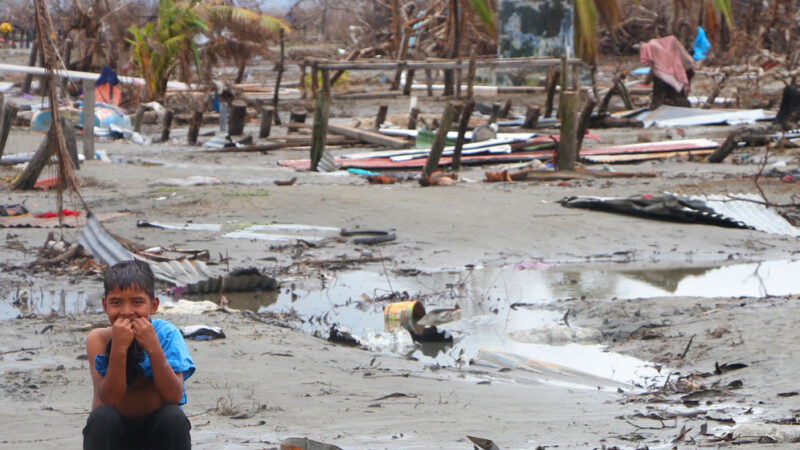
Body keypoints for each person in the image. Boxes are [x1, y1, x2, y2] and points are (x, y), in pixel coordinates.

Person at [83, 260, 195, 450]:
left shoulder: (167, 335)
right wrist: (118, 348)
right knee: (102, 417)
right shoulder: (98, 340)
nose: (127, 312)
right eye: (116, 303)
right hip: (115, 437)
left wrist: (153, 347)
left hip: (157, 436)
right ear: (105, 305)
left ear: (153, 305)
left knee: (173, 416)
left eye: (137, 302)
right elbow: (109, 399)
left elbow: (173, 396)